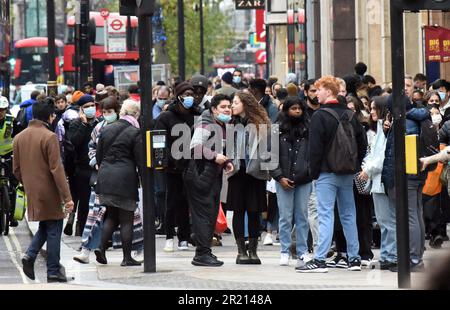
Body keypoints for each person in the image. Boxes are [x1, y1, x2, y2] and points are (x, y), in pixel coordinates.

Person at [297, 76, 367, 273]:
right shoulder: (351, 115)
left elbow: (315, 149)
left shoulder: (320, 116)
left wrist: (314, 172)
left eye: (318, 90)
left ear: (328, 91)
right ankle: (354, 258)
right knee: (348, 214)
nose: (316, 93)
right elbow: (362, 145)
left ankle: (319, 259)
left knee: (325, 214)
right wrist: (354, 165)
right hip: (347, 173)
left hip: (326, 173)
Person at [14, 98, 74, 282]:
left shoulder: (19, 138)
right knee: (55, 228)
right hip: (50, 191)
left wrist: (30, 183)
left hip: (32, 190)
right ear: (49, 116)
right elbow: (57, 169)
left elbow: (16, 169)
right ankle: (53, 271)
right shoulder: (49, 137)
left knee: (45, 226)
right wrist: (67, 198)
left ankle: (30, 255)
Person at [185, 94, 234, 266]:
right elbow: (195, 147)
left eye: (229, 106)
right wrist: (215, 157)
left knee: (210, 215)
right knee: (204, 216)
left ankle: (205, 251)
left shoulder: (221, 124)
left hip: (210, 176)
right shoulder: (206, 123)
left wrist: (226, 161)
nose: (227, 109)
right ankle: (201, 254)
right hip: (200, 176)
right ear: (213, 109)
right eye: (223, 107)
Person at [94, 100, 142, 266]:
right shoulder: (135, 132)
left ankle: (101, 246)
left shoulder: (106, 128)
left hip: (105, 177)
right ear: (135, 114)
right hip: (124, 179)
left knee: (112, 215)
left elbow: (99, 157)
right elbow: (140, 160)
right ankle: (127, 258)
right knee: (127, 218)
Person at [154, 81, 200, 252]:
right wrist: (166, 160)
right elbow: (159, 140)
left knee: (188, 202)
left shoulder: (197, 114)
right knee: (172, 201)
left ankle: (184, 237)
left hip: (192, 165)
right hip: (172, 167)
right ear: (178, 96)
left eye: (191, 94)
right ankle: (168, 236)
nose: (189, 97)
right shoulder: (166, 117)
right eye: (186, 94)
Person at [227, 91, 272, 265]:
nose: (232, 105)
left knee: (255, 212)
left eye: (236, 102)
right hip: (237, 173)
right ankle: (241, 251)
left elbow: (269, 148)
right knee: (238, 211)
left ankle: (253, 251)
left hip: (256, 173)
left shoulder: (262, 124)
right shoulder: (231, 123)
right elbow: (229, 150)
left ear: (245, 104)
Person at [270, 96, 313, 267]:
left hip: (304, 179)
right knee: (285, 217)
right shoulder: (276, 129)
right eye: (293, 108)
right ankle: (284, 251)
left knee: (302, 216)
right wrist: (279, 177)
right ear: (286, 110)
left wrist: (308, 173)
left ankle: (302, 251)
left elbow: (313, 154)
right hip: (283, 179)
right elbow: (269, 156)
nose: (297, 111)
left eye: (299, 109)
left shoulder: (308, 129)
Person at [358, 96, 397, 270]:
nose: (371, 111)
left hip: (381, 181)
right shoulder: (380, 129)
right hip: (377, 181)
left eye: (374, 108)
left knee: (387, 221)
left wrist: (367, 169)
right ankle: (388, 254)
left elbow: (381, 157)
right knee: (384, 221)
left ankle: (391, 255)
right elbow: (373, 154)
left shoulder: (385, 129)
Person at [66, 94, 100, 236]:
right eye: (87, 107)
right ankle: (81, 231)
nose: (91, 108)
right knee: (85, 203)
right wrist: (84, 124)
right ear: (81, 109)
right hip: (82, 168)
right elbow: (74, 142)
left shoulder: (100, 122)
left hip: (97, 168)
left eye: (92, 105)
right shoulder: (75, 124)